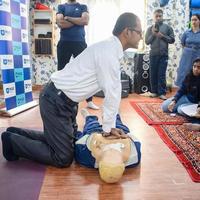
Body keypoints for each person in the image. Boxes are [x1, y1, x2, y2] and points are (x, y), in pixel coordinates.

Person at [1, 13, 142, 167]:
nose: (141, 37)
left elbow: (113, 91)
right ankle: (12, 142)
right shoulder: (108, 52)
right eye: (139, 32)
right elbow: (112, 93)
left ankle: (16, 133)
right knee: (62, 157)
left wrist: (109, 125)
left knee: (70, 143)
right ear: (127, 32)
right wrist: (108, 128)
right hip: (55, 100)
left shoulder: (110, 49)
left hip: (64, 101)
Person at [75, 109, 141, 183]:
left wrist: (77, 134)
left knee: (91, 125)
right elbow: (135, 140)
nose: (112, 147)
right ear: (124, 164)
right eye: (117, 152)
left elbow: (79, 142)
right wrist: (126, 136)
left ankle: (89, 117)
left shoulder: (85, 158)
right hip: (119, 132)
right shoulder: (134, 157)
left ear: (98, 163)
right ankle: (115, 115)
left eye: (107, 151)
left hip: (96, 132)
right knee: (119, 124)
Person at [56, 0, 99, 110]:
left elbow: (85, 21)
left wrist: (68, 18)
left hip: (79, 43)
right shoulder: (61, 6)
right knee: (61, 71)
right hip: (64, 43)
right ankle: (58, 98)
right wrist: (77, 21)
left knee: (85, 71)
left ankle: (89, 101)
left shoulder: (83, 6)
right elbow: (60, 23)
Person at [145, 9, 175, 100]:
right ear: (153, 17)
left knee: (161, 74)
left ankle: (162, 93)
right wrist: (153, 34)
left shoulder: (168, 28)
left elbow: (172, 40)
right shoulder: (149, 29)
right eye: (156, 16)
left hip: (163, 55)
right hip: (153, 54)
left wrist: (162, 36)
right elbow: (147, 42)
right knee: (153, 74)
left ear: (162, 16)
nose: (158, 18)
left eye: (160, 16)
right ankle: (154, 92)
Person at [175, 14, 200, 87]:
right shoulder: (186, 32)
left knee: (196, 72)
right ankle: (182, 90)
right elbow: (183, 43)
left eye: (195, 20)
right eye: (192, 20)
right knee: (184, 72)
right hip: (186, 55)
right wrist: (187, 51)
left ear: (199, 21)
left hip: (197, 55)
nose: (193, 22)